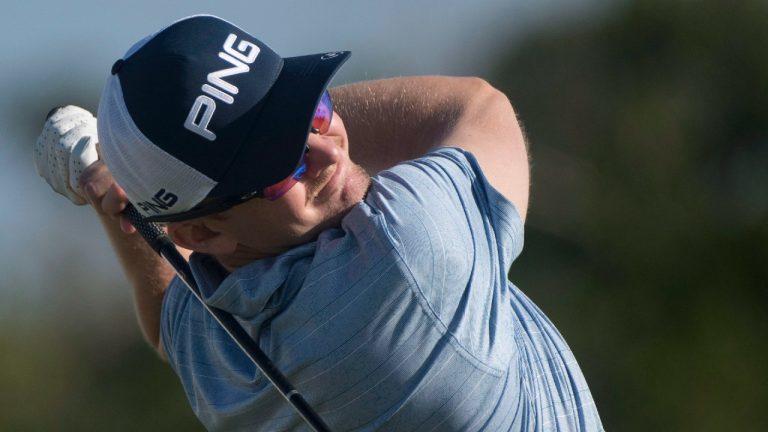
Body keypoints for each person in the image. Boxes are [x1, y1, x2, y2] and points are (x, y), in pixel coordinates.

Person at [34, 14, 604, 432]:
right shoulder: (409, 251)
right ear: (205, 234)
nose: (327, 153)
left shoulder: (221, 356)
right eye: (282, 165)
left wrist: (120, 191)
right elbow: (477, 109)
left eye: (312, 109)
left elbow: (167, 314)